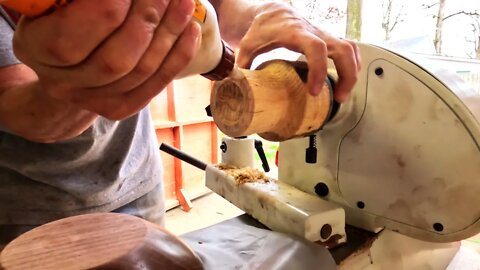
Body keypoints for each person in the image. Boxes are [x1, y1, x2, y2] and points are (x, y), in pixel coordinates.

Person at [0, 0, 360, 249]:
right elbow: (17, 107)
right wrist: (70, 95)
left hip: (139, 185)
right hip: (30, 213)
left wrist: (268, 12)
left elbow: (217, 10)